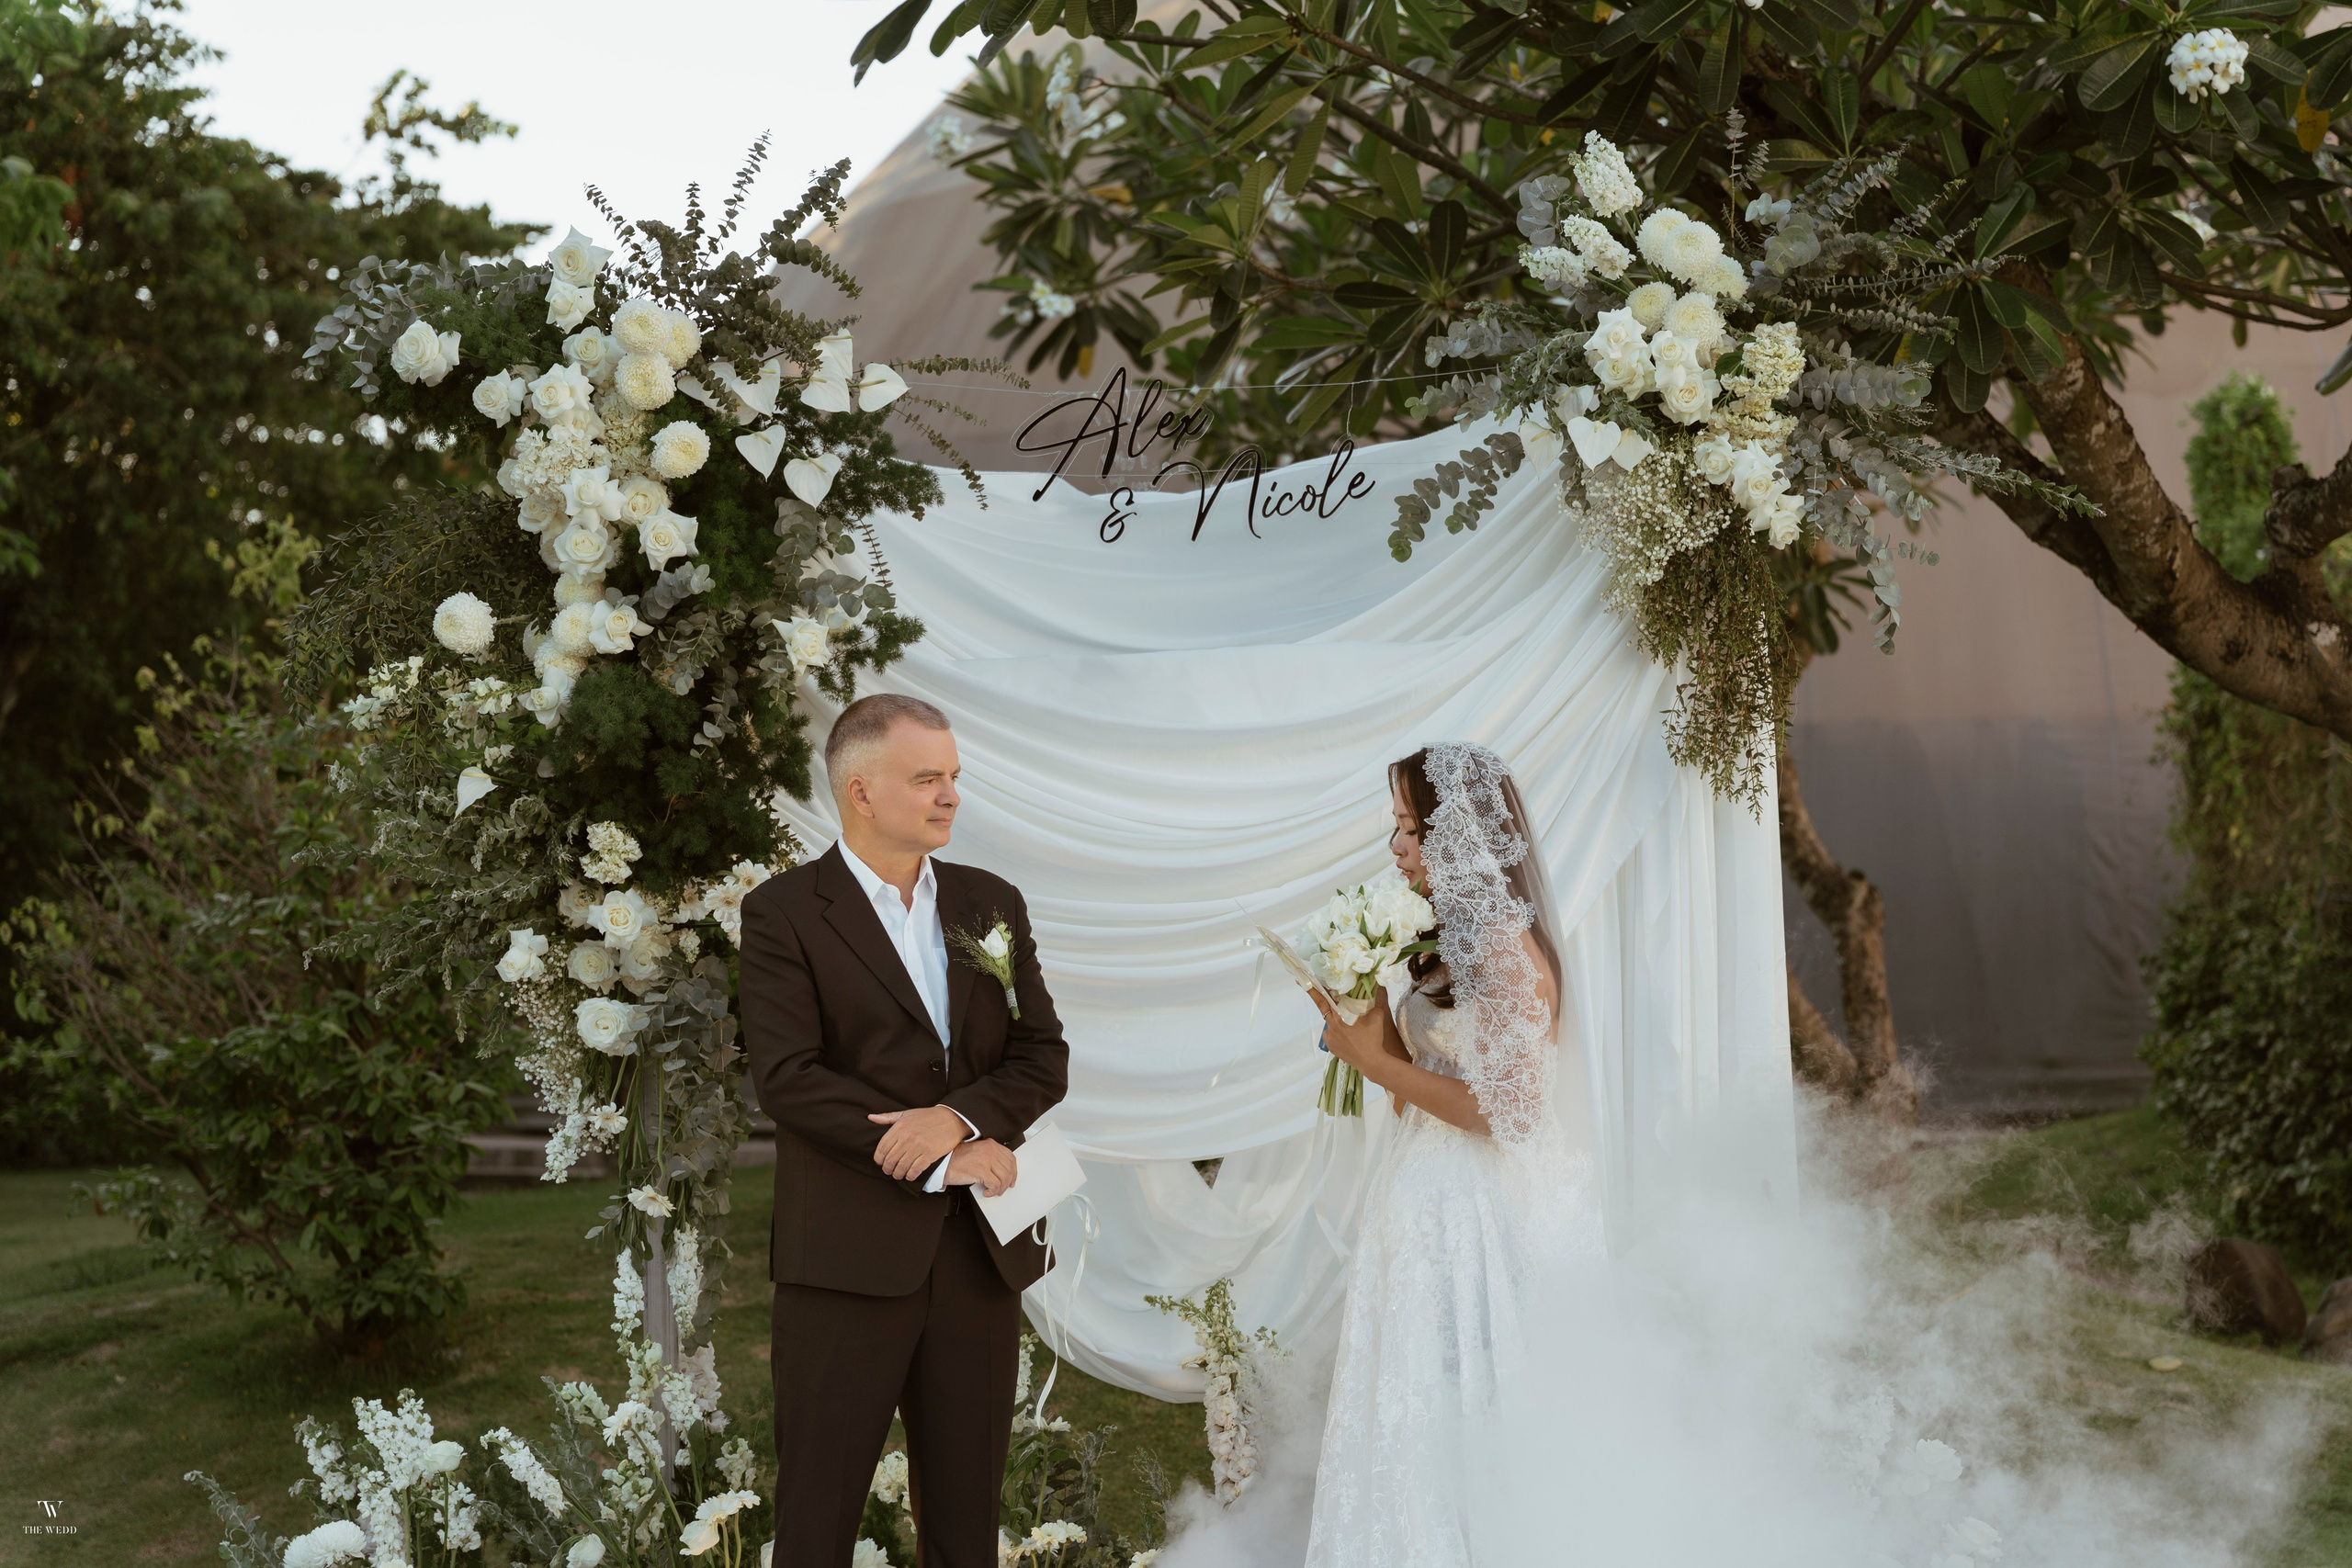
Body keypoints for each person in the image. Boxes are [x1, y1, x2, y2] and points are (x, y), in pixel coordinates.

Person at [740, 692, 1069, 1568]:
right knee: (817, 1520)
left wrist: (959, 1119)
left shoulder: (990, 902)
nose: (950, 795)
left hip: (977, 1261)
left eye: (954, 777)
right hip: (844, 1261)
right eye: (927, 778)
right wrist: (938, 1158)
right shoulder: (783, 914)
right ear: (860, 792)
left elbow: (1043, 1054)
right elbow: (789, 1078)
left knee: (966, 1526)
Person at [1299, 741, 1602, 1568]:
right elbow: (1416, 1088)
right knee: (1422, 1404)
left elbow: (1509, 1114)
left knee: (1483, 1402)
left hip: (1485, 1208)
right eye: (1397, 829)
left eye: (1409, 828)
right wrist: (1365, 1014)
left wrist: (1375, 1060)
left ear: (1458, 833)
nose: (1396, 848)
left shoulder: (1504, 946)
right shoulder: (1442, 942)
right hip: (1424, 1191)